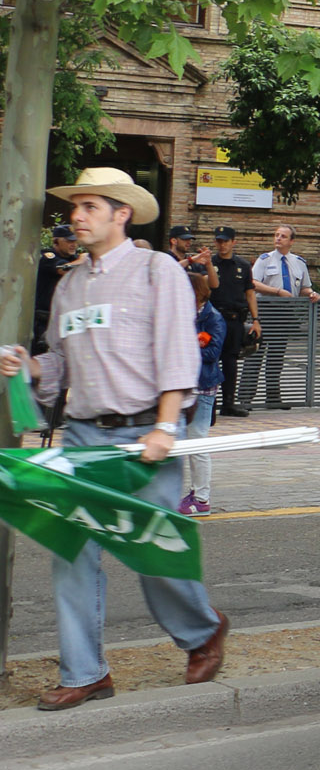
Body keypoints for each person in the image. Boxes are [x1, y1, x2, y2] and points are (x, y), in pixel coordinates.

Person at [0, 167, 226, 712]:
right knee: (72, 553)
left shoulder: (156, 270)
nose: (76, 217)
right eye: (74, 207)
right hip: (83, 437)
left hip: (145, 433)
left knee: (151, 551)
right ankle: (86, 673)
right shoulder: (70, 285)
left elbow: (178, 351)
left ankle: (202, 632)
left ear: (121, 214)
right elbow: (61, 363)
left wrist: (166, 427)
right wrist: (29, 366)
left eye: (89, 207)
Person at [245, 224, 319, 410]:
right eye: (276, 235)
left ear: (291, 241)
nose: (278, 238)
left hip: (286, 312)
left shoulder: (299, 262)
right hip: (265, 309)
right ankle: (245, 399)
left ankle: (273, 398)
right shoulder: (265, 259)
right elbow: (253, 283)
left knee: (277, 356)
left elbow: (304, 287)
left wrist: (312, 293)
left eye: (283, 236)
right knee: (255, 354)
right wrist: (277, 291)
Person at [181, 268, 225, 516]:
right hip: (183, 386)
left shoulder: (213, 318)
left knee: (197, 442)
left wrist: (183, 348)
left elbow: (212, 353)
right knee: (183, 443)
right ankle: (194, 491)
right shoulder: (183, 314)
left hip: (203, 387)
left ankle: (201, 498)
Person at [208, 227, 258, 416]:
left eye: (226, 241)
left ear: (233, 242)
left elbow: (250, 294)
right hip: (213, 320)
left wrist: (256, 320)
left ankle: (228, 403)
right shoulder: (210, 263)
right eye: (219, 241)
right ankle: (210, 403)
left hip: (235, 320)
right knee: (211, 360)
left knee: (231, 362)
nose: (222, 245)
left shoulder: (243, 265)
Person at [33, 222, 77, 346]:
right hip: (43, 322)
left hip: (65, 321)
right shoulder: (47, 256)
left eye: (75, 241)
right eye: (69, 241)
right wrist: (82, 262)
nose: (73, 244)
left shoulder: (74, 259)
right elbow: (63, 269)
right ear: (56, 241)